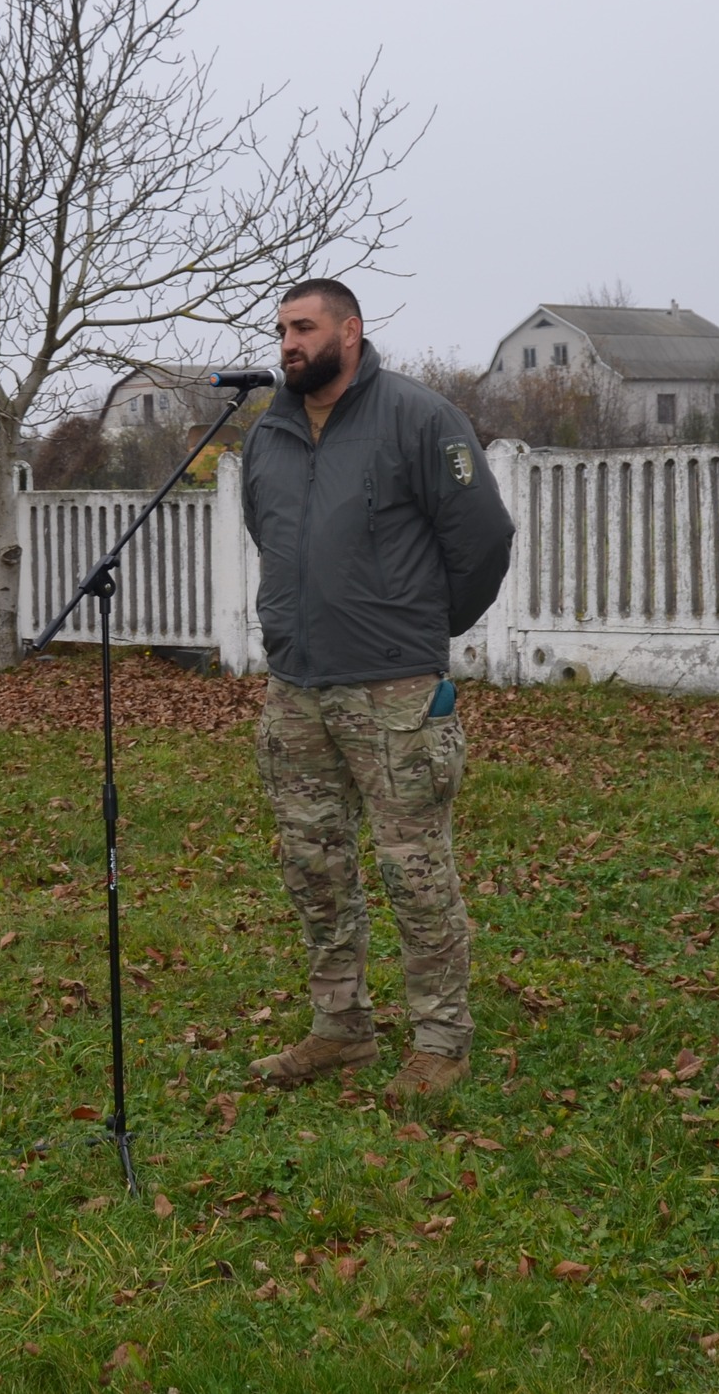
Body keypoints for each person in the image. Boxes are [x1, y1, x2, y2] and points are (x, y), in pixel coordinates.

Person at [240, 278, 513, 1107]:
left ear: (350, 331)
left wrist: (419, 627)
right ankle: (341, 1025)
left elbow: (483, 538)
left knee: (414, 869)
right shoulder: (270, 432)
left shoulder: (418, 418)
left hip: (394, 690)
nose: (288, 343)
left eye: (304, 327)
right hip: (297, 687)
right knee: (313, 864)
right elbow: (271, 533)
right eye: (282, 329)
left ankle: (441, 1039)